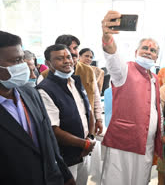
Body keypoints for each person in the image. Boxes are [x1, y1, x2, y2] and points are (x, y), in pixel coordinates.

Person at [0, 31, 75, 185]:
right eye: (15, 61)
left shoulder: (30, 93)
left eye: (22, 59)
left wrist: (66, 175)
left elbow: (49, 138)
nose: (22, 66)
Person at [100, 10, 162, 185]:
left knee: (140, 181)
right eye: (145, 48)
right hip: (123, 143)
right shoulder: (124, 70)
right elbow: (112, 55)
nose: (148, 52)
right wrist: (106, 36)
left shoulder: (155, 78)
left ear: (157, 56)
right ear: (136, 51)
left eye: (153, 50)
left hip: (146, 144)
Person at [37, 44, 96, 184]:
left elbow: (88, 111)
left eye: (68, 57)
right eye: (59, 58)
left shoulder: (75, 81)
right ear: (48, 63)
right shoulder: (44, 89)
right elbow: (53, 129)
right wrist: (85, 144)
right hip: (66, 156)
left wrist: (91, 137)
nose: (67, 61)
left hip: (85, 150)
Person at [40, 35, 103, 135]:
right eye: (68, 49)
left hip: (88, 129)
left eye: (75, 48)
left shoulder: (87, 71)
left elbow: (95, 96)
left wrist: (99, 119)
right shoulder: (44, 77)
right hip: (65, 134)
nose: (73, 52)